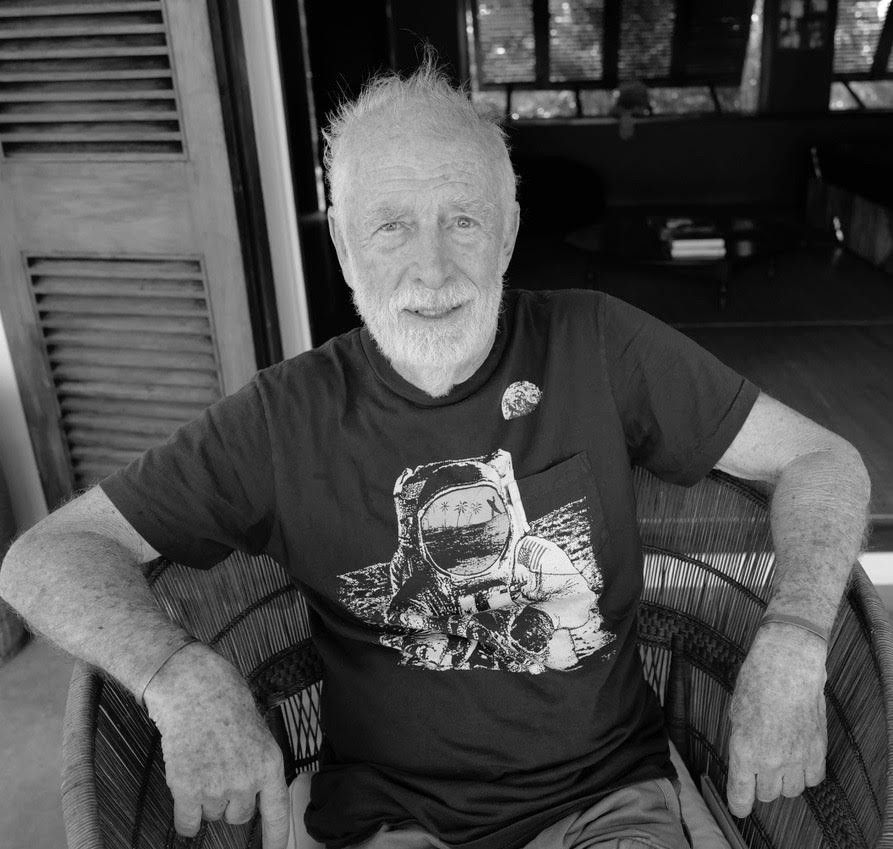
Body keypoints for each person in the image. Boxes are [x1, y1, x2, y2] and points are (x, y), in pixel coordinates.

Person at [0, 60, 870, 849]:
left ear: (508, 230)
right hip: (392, 819)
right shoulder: (283, 416)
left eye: (462, 219)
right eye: (390, 228)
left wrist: (793, 634)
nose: (432, 270)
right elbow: (44, 557)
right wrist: (177, 674)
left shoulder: (597, 344)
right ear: (342, 247)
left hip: (607, 798)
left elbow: (822, 459)